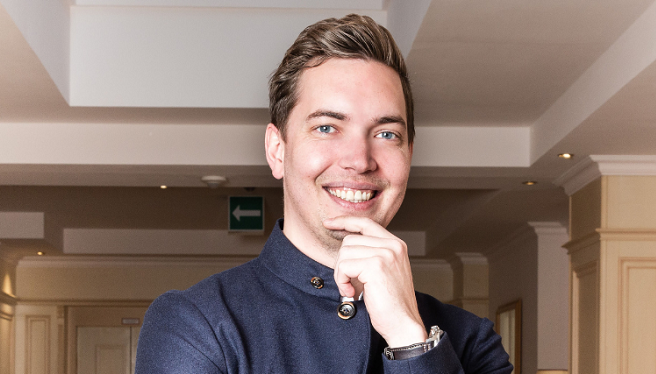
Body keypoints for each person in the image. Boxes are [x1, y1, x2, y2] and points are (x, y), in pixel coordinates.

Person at [135, 14, 513, 373]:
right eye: (327, 128)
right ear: (277, 150)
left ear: (408, 155)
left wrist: (410, 341)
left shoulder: (471, 342)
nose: (360, 160)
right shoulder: (195, 325)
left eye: (386, 134)